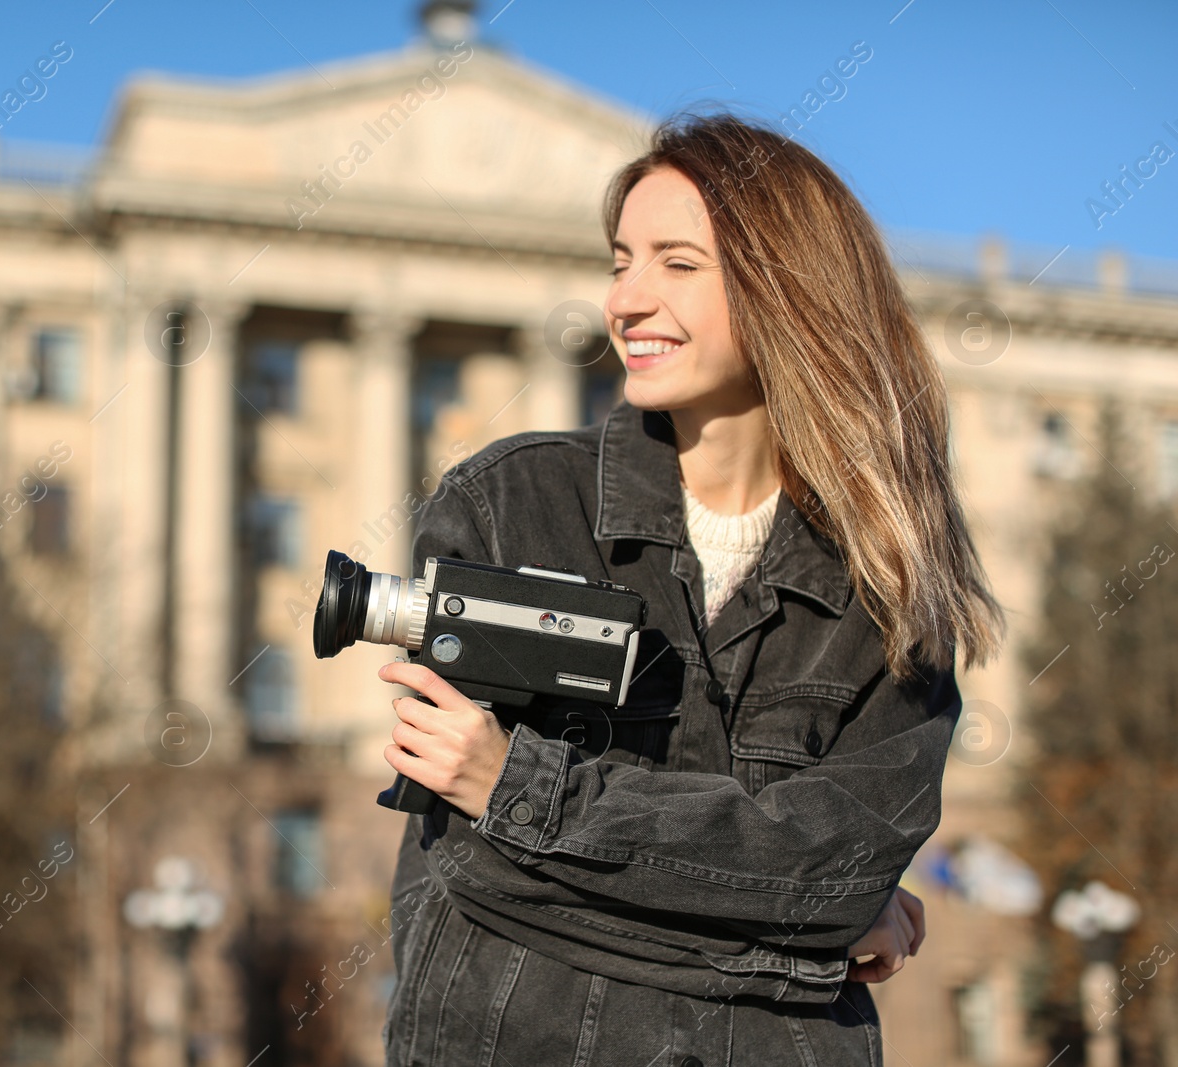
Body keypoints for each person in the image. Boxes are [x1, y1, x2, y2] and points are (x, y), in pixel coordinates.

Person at [374, 111, 1007, 1066]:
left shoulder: (890, 572)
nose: (626, 299)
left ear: (787, 288)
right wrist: (798, 943)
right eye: (620, 260)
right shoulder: (508, 503)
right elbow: (479, 875)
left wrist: (522, 785)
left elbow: (844, 862)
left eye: (676, 263)